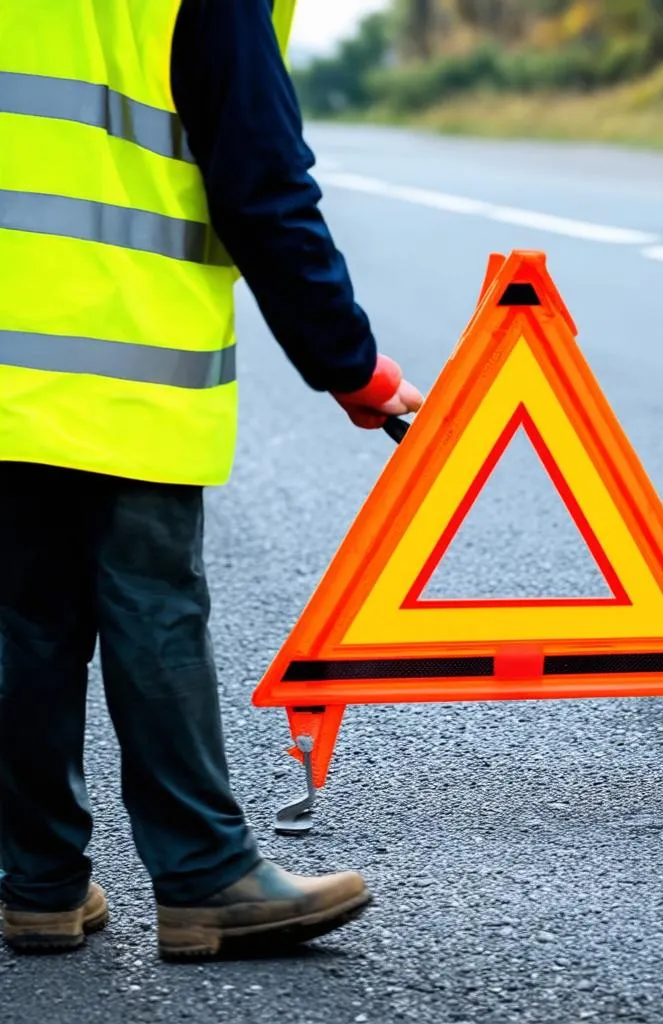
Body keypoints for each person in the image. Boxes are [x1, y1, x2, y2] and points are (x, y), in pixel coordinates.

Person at [0, 0, 422, 959]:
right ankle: (205, 878)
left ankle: (38, 882)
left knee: (26, 619)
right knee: (150, 604)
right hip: (120, 350)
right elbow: (264, 183)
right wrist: (352, 368)